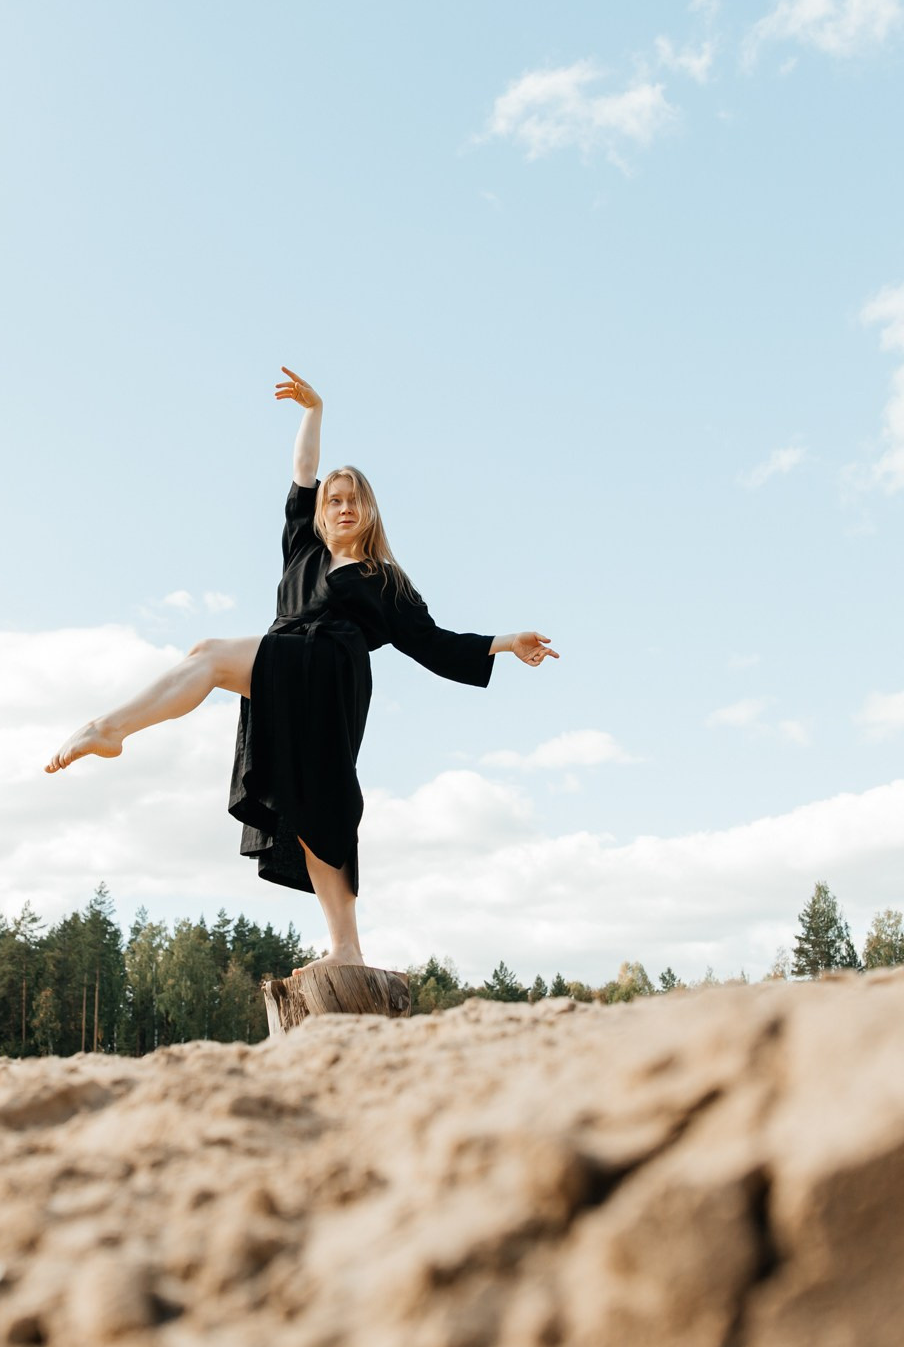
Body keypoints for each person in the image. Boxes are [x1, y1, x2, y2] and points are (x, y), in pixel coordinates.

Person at [46, 368, 557, 973]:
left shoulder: (385, 580)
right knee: (317, 808)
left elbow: (434, 643)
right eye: (333, 500)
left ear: (370, 509)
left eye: (353, 499)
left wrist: (505, 642)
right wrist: (313, 412)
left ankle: (109, 729)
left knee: (211, 658)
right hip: (286, 664)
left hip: (331, 673)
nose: (342, 507)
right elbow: (303, 474)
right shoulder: (303, 549)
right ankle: (346, 949)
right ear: (320, 512)